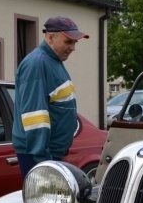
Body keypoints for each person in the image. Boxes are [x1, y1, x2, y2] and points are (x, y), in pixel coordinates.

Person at [13, 16, 88, 179]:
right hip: (39, 157)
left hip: (50, 154)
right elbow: (35, 117)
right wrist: (44, 162)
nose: (73, 48)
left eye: (75, 43)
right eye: (68, 42)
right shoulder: (37, 64)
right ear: (50, 37)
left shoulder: (53, 61)